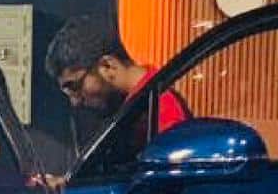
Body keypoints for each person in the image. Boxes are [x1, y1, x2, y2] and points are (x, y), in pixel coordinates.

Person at [42, 16, 191, 184]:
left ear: (108, 66)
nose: (75, 102)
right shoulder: (136, 105)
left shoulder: (161, 109)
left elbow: (165, 186)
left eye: (76, 86)